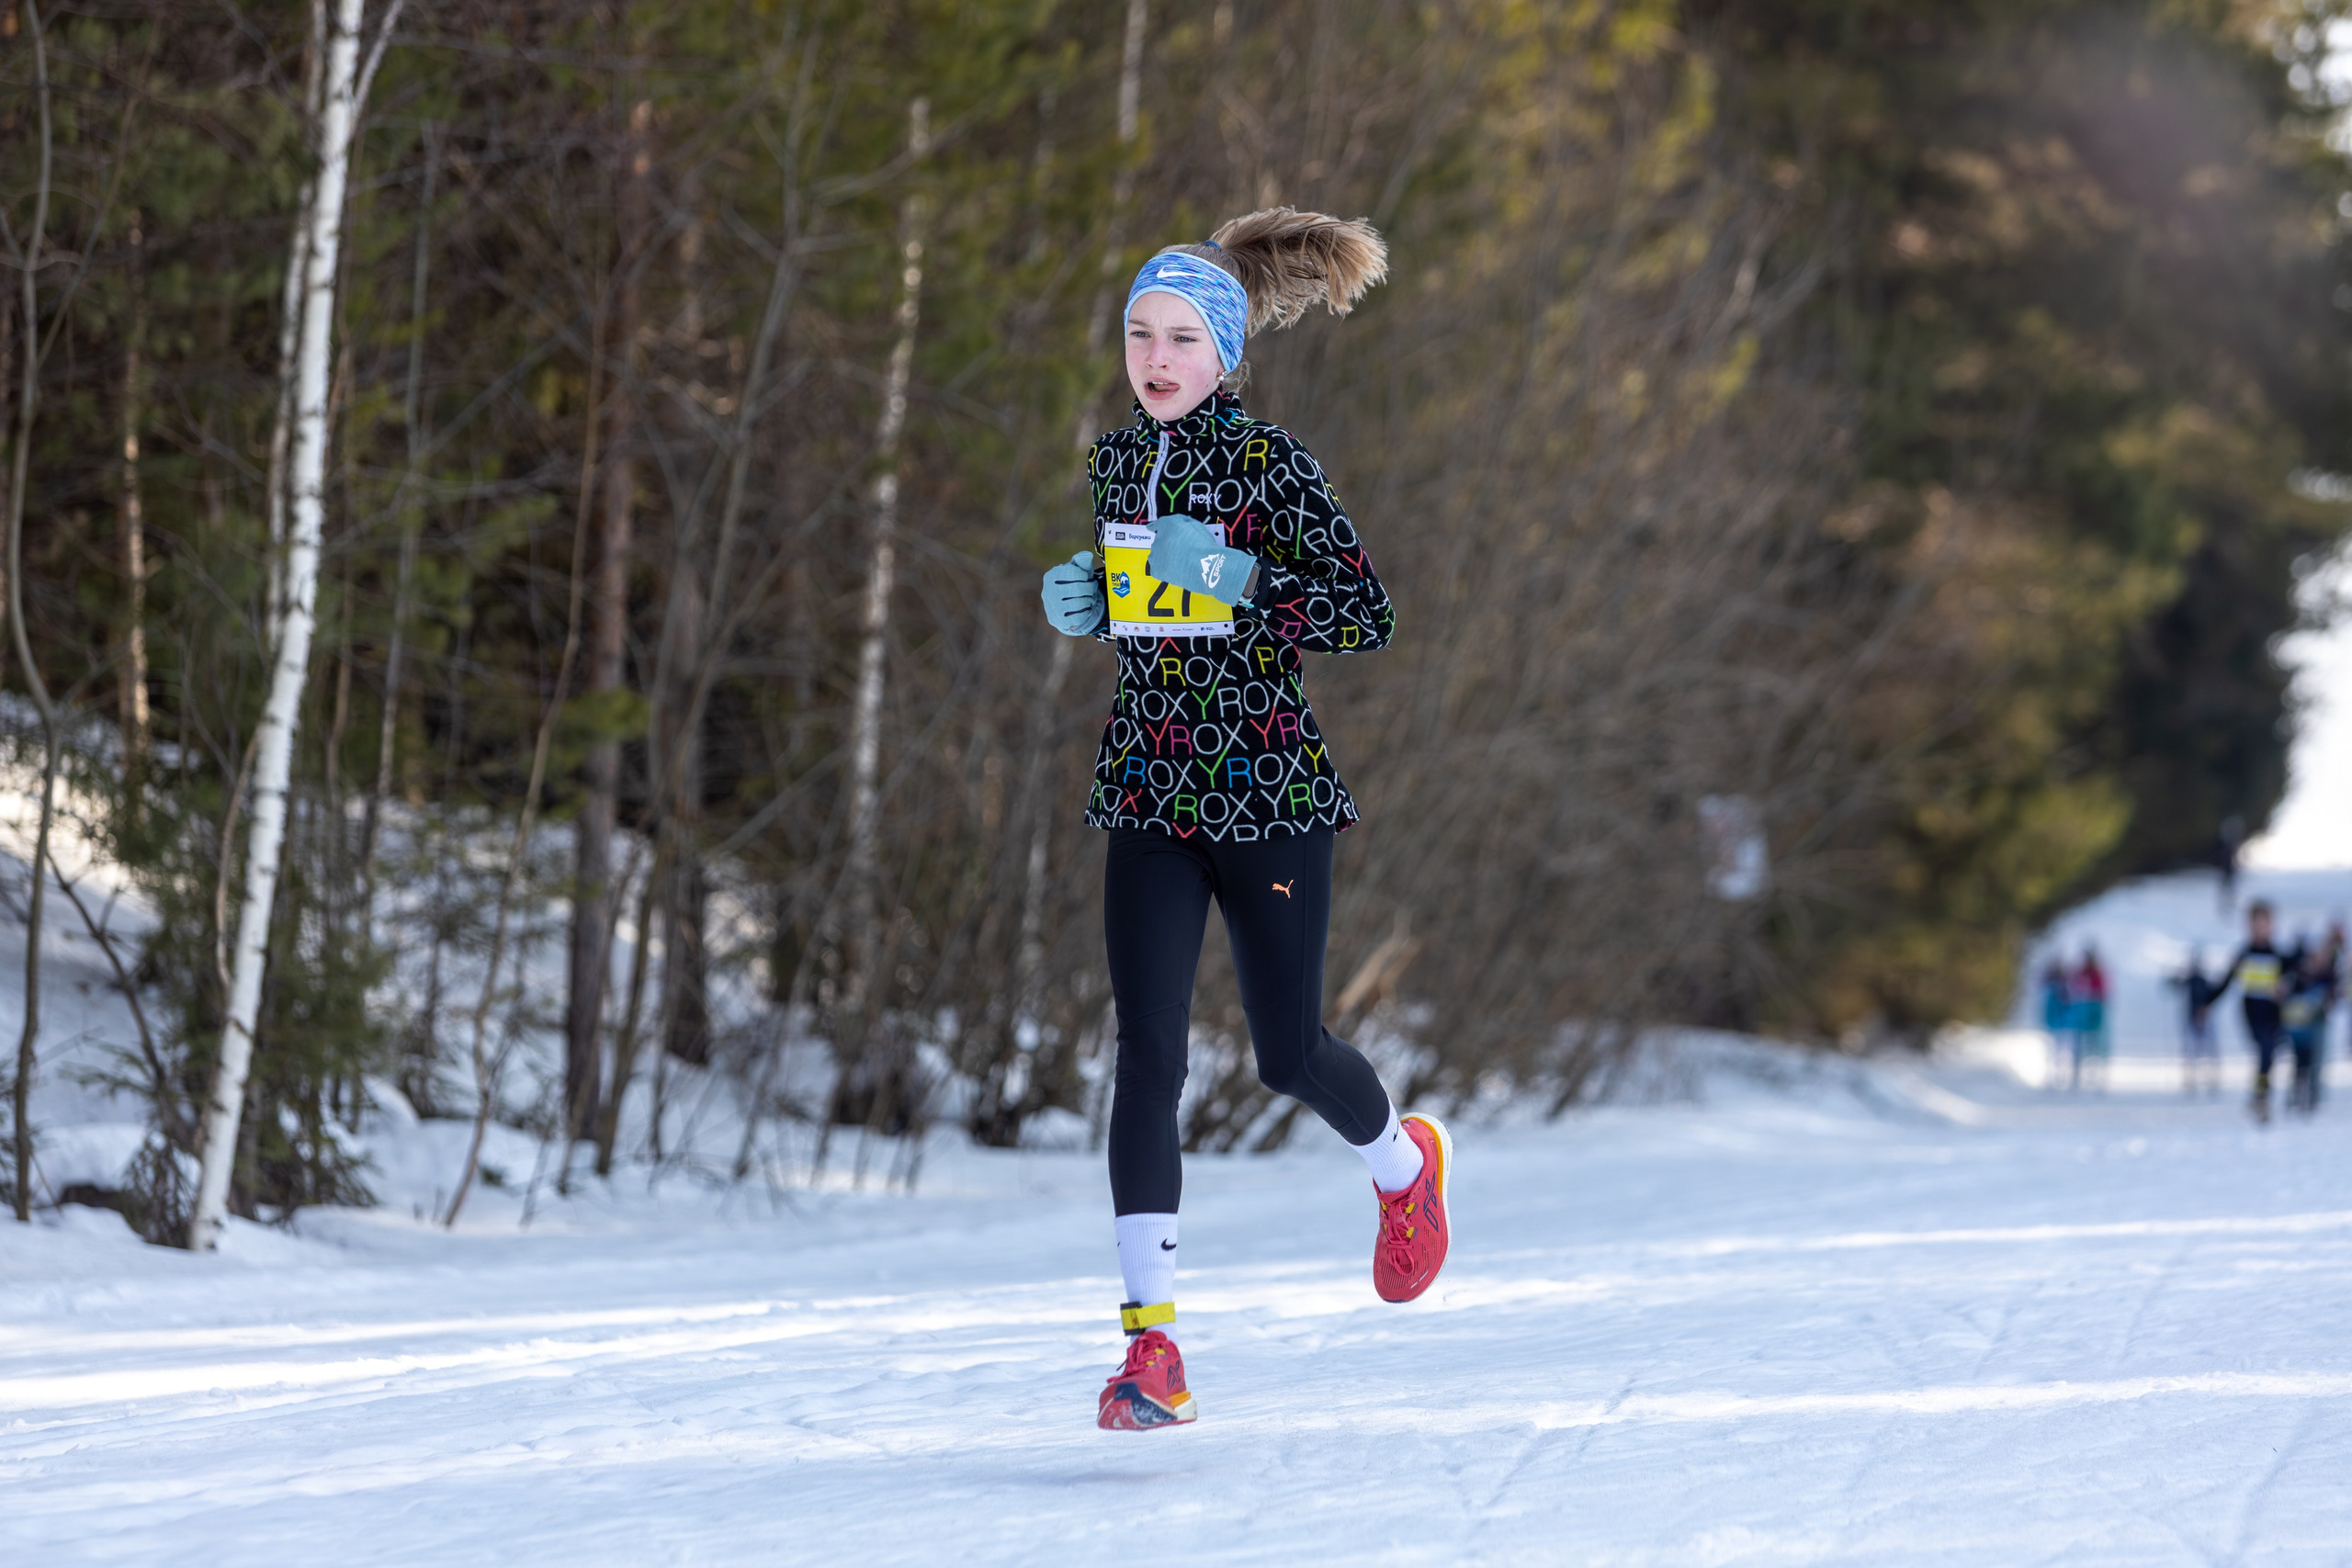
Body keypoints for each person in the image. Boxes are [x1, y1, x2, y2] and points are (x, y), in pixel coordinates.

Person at [1036, 208, 1450, 1432]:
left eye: (1178, 338)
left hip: (1266, 790)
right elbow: (1143, 606)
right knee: (1147, 1054)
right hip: (1149, 789)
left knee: (1284, 1051)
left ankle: (1403, 1166)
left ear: (1223, 354)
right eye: (1137, 335)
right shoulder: (1119, 461)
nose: (1154, 358)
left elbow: (1362, 611)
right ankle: (1150, 1348)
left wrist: (1237, 578)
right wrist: (1093, 599)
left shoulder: (1275, 467)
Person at [2213, 899, 2291, 1124]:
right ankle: (2261, 1096)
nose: (2260, 929)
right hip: (2252, 1012)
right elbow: (2225, 982)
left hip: (2274, 1013)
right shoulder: (2244, 954)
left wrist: (2285, 986)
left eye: (2264, 924)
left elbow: (2296, 977)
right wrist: (2207, 1003)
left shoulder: (2278, 954)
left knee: (2268, 1056)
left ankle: (2260, 1095)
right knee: (2265, 1050)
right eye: (2255, 924)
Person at [2281, 928, 2342, 1116]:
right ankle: (2295, 1095)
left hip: (2319, 1025)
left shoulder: (2329, 975)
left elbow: (2334, 999)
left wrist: (2326, 1002)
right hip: (2299, 1028)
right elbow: (2287, 996)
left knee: (2317, 1061)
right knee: (2299, 1061)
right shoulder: (2299, 975)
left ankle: (2313, 1096)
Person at [2168, 950, 2222, 1099]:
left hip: (2202, 1018)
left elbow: (2212, 994)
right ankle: (2193, 1079)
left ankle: (2209, 1079)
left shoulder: (2201, 980)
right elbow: (2173, 986)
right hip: (2192, 1018)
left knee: (2205, 1050)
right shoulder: (2191, 980)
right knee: (2193, 1050)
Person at [2069, 946, 2109, 1091]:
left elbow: (2103, 996)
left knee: (2094, 1047)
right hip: (2081, 1017)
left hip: (2093, 1015)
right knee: (2080, 1047)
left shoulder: (2097, 974)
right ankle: (2078, 1076)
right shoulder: (2080, 973)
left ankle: (2095, 1076)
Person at [2039, 958, 2074, 1088]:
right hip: (2053, 1022)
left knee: (2063, 1050)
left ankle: (2061, 1076)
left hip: (2062, 1023)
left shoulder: (2066, 985)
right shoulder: (2050, 984)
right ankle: (2052, 1076)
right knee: (2052, 1050)